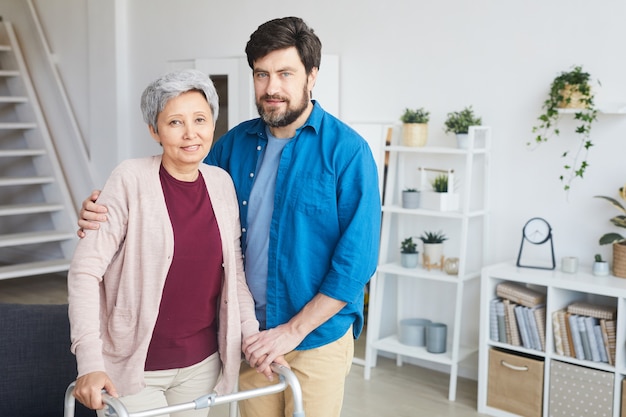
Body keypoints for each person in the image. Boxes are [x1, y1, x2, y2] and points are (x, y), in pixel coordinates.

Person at [77, 16, 381, 417]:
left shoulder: (348, 153)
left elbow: (355, 265)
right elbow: (191, 201)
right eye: (261, 74)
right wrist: (103, 212)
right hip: (250, 339)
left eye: (285, 74)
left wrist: (291, 332)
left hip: (315, 340)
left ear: (311, 76)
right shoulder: (230, 147)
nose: (272, 88)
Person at [69, 69, 282, 417]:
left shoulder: (221, 184)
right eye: (174, 123)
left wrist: (252, 339)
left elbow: (235, 277)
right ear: (154, 131)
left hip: (202, 366)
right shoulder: (129, 178)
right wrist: (89, 362)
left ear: (213, 123)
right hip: (134, 369)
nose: (190, 133)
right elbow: (84, 272)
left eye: (200, 119)